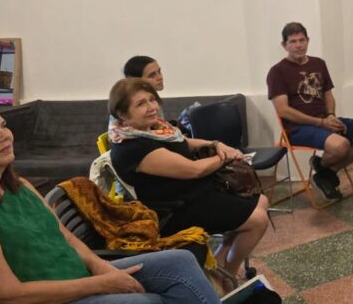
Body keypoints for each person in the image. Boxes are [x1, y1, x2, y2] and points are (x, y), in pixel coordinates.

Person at [0, 102, 307, 304]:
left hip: (75, 288)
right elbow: (6, 297)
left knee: (179, 261)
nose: (5, 135)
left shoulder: (20, 187)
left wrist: (101, 268)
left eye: (4, 126)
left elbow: (65, 238)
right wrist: (100, 284)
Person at [107, 78, 270, 280]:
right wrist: (225, 156)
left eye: (152, 99)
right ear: (123, 114)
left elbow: (185, 143)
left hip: (193, 193)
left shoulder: (154, 130)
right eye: (141, 104)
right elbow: (194, 170)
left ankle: (219, 263)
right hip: (174, 210)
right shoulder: (132, 148)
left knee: (262, 201)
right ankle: (228, 274)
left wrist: (216, 144)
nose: (152, 107)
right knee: (258, 220)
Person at [267, 22, 353, 202]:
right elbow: (283, 110)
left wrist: (331, 116)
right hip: (297, 128)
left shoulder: (318, 64)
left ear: (308, 41)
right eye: (293, 41)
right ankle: (324, 170)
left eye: (302, 40)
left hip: (325, 120)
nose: (298, 45)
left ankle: (325, 172)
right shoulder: (277, 72)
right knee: (341, 146)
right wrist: (321, 123)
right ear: (284, 45)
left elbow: (328, 96)